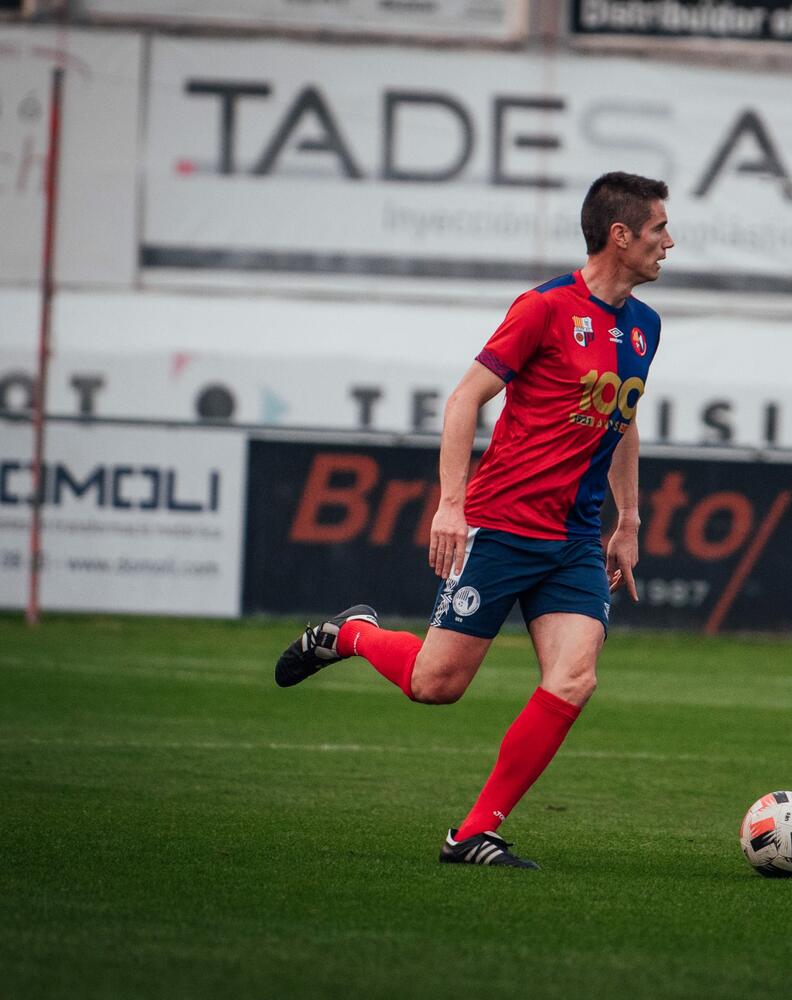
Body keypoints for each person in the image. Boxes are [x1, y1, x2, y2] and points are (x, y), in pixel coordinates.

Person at [274, 171, 674, 869]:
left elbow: (623, 416)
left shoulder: (645, 327)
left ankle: (472, 834)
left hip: (574, 541)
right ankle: (351, 634)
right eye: (659, 229)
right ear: (620, 235)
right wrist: (452, 505)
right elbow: (464, 400)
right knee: (436, 685)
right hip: (502, 526)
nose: (669, 242)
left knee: (574, 678)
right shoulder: (544, 308)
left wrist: (629, 520)